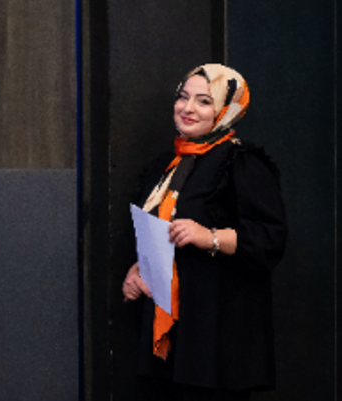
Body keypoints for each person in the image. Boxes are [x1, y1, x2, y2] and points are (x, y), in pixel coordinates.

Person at [122, 64, 287, 400]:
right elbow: (158, 234)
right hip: (169, 330)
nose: (188, 108)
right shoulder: (165, 166)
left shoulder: (240, 162)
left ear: (227, 110)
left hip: (216, 334)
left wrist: (210, 237)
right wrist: (139, 270)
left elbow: (269, 239)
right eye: (183, 97)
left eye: (204, 101)